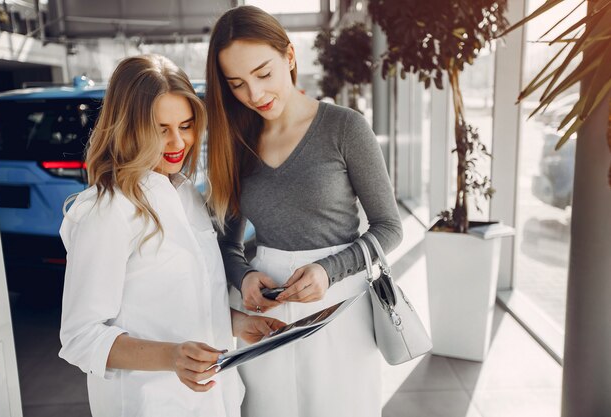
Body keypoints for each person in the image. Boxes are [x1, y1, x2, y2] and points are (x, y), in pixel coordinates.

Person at [58, 54, 284, 417]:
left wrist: (240, 322)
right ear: (127, 127)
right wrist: (172, 357)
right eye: (160, 128)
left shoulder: (185, 194)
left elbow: (183, 301)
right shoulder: (107, 211)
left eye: (187, 124)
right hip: (149, 404)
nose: (177, 141)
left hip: (213, 400)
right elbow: (80, 336)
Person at [204, 6, 403, 417]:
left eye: (263, 74)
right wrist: (243, 278)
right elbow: (227, 242)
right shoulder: (236, 143)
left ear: (289, 57)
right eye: (237, 84)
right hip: (265, 312)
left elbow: (389, 228)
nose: (255, 95)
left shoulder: (344, 128)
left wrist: (328, 270)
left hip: (340, 303)